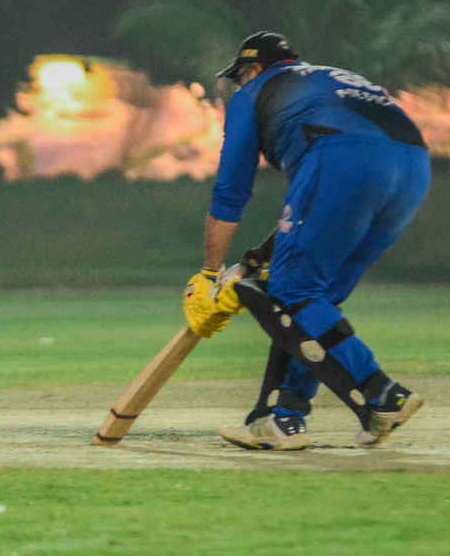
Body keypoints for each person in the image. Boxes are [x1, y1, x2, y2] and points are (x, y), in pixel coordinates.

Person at [182, 31, 430, 451]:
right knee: (315, 300)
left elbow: (231, 191)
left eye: (239, 77)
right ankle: (283, 418)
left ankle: (383, 394)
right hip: (413, 169)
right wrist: (262, 255)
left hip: (342, 159)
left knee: (292, 291)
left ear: (254, 68)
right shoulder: (332, 77)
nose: (237, 86)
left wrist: (208, 275)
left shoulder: (253, 92)